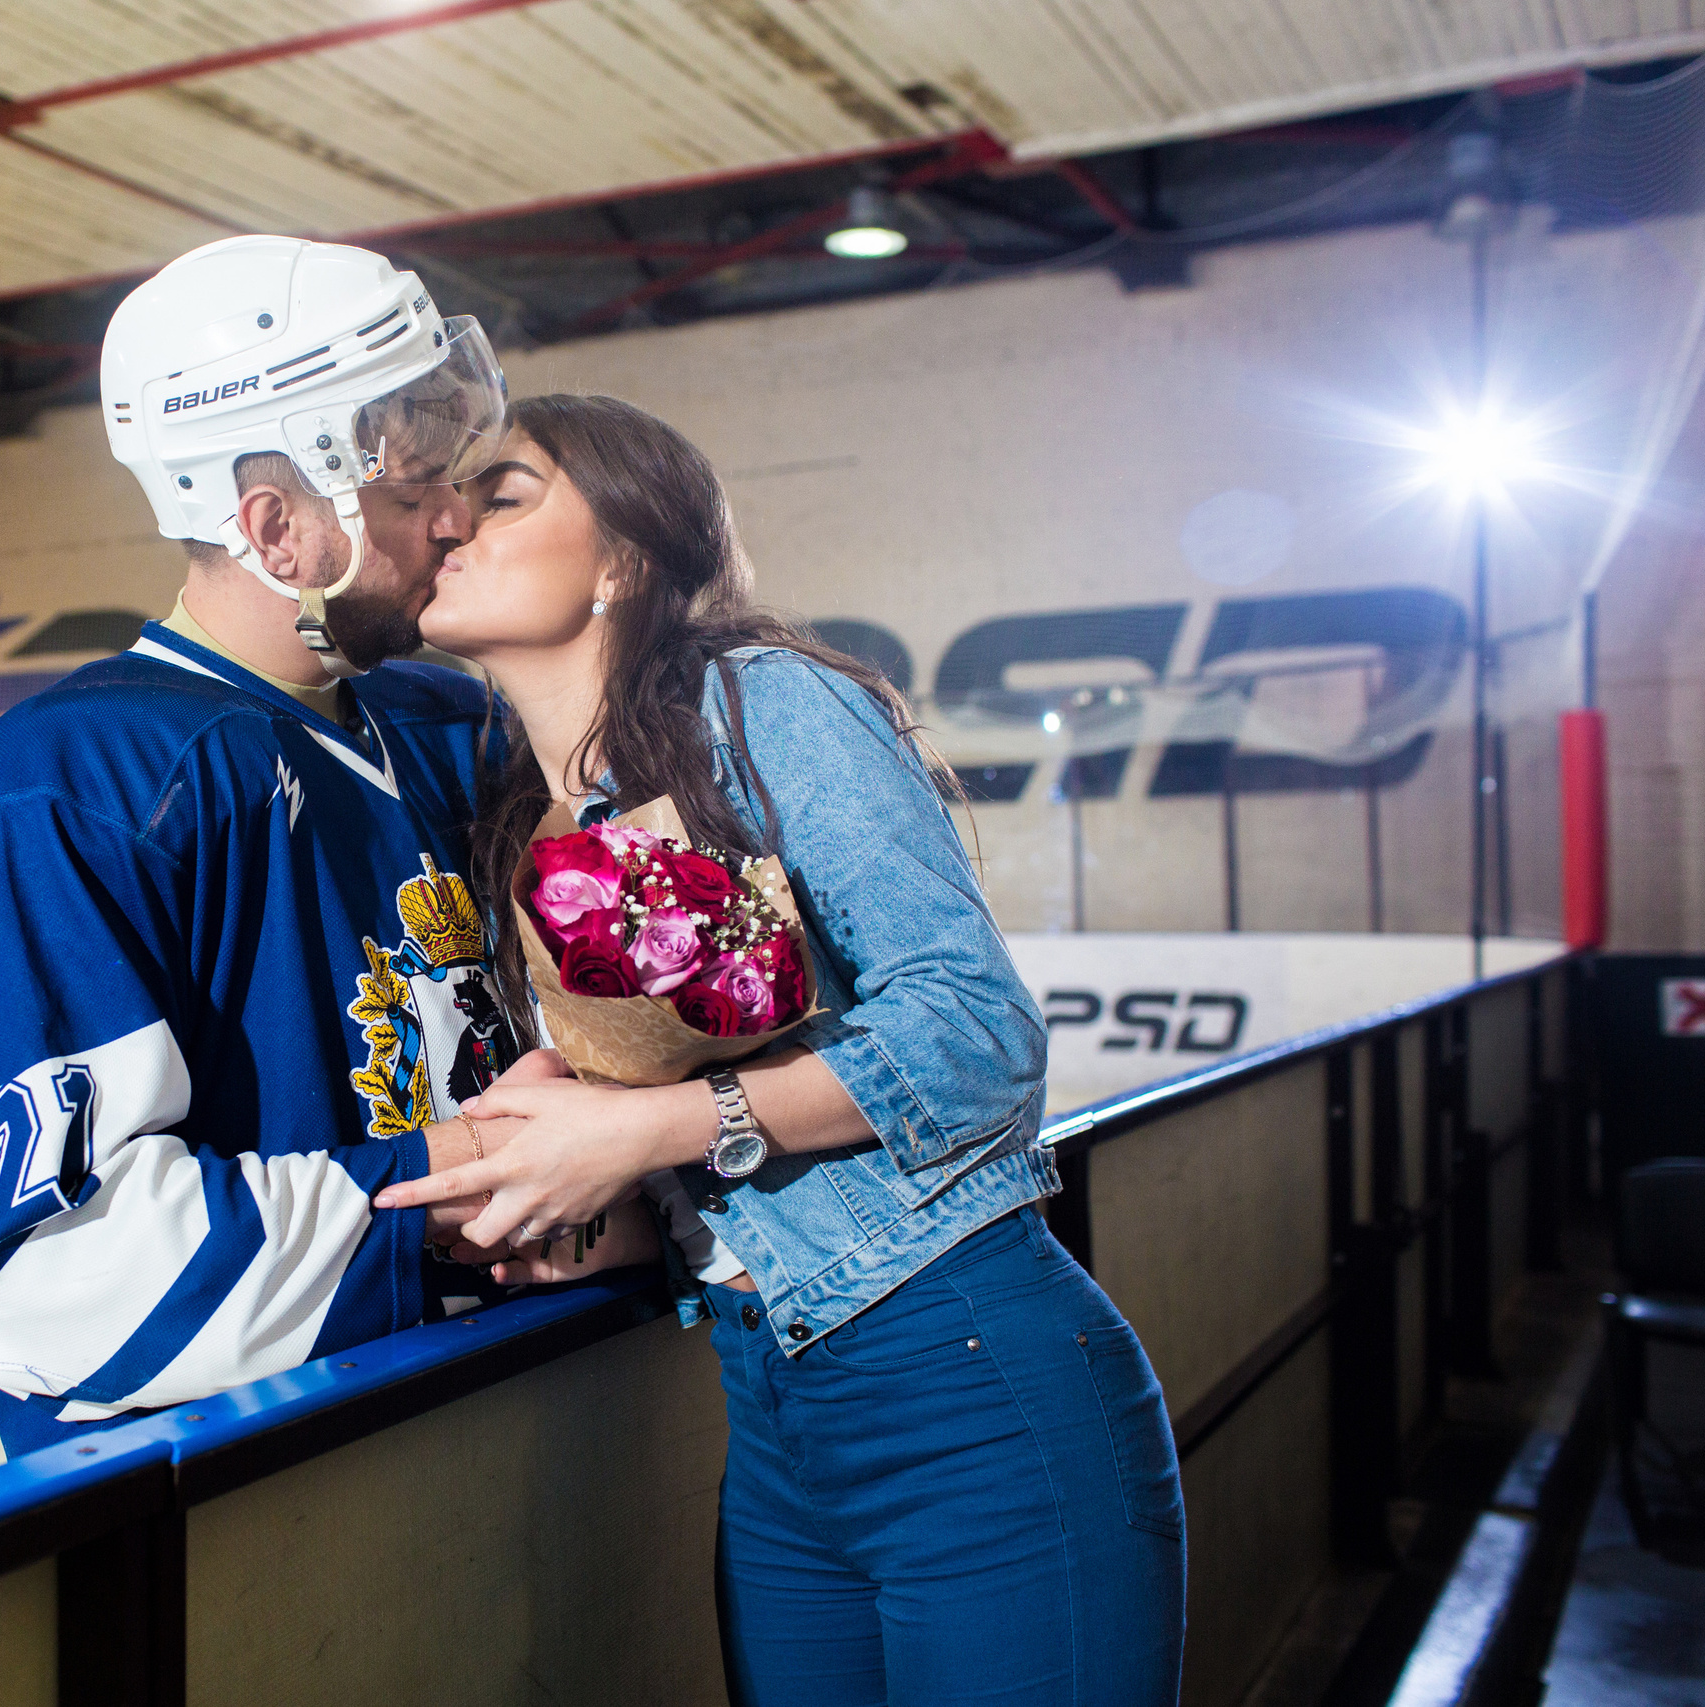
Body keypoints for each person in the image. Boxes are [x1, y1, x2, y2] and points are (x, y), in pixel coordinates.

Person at [373, 394, 1187, 1705]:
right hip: (774, 1411)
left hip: (965, 1381)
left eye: (507, 490)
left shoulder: (760, 705)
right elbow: (700, 1169)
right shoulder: (529, 809)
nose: (452, 517)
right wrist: (564, 1195)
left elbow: (977, 1033)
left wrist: (651, 1128)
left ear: (624, 556)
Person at [0, 236, 544, 1458]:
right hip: (245, 1505)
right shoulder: (71, 781)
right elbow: (49, 1284)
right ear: (276, 527)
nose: (454, 516)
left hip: (507, 1419)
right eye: (410, 491)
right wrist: (467, 1180)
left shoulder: (453, 720)